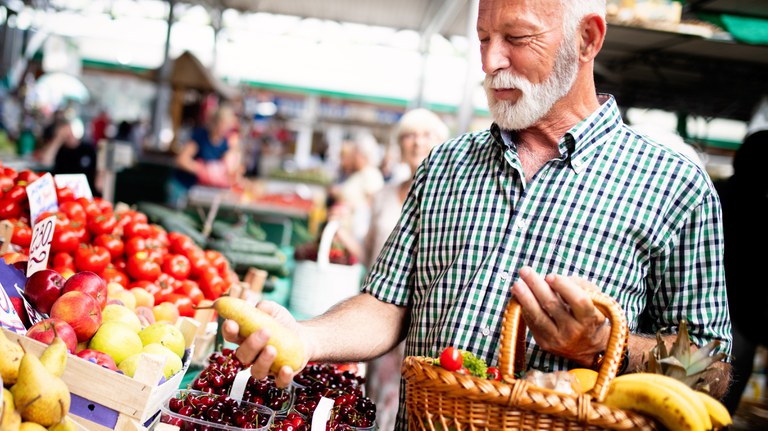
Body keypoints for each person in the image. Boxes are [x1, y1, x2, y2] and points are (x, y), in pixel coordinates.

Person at [224, 1, 732, 429]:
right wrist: (306, 336)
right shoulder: (446, 163)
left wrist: (603, 345)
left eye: (516, 37)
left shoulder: (675, 185)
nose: (490, 61)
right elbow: (387, 304)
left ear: (587, 39)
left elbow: (711, 370)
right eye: (483, 37)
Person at [363, 108, 449, 430]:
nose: (417, 143)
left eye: (427, 135)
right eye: (409, 136)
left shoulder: (448, 198)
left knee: (405, 397)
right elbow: (368, 249)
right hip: (377, 309)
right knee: (373, 394)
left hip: (419, 320)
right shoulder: (384, 195)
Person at [716, 130, 768, 414]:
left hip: (735, 314)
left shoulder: (718, 195)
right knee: (724, 393)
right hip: (740, 315)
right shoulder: (753, 206)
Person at [168, 104, 243, 208]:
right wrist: (202, 169)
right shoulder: (201, 135)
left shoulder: (226, 142)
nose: (224, 129)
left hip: (199, 191)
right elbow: (181, 160)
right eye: (222, 124)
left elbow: (230, 167)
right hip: (183, 186)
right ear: (215, 122)